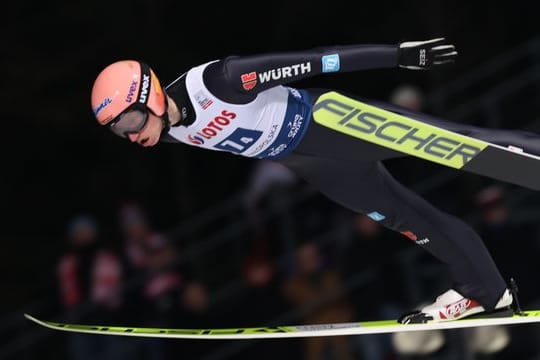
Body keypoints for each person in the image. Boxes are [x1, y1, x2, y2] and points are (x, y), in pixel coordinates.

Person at [89, 37, 540, 324]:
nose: (129, 135)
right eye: (117, 131)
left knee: (455, 146)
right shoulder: (168, 134)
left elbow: (317, 61)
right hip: (312, 164)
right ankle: (486, 290)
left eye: (128, 121)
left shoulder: (220, 81)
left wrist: (398, 56)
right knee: (407, 218)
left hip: (329, 122)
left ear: (147, 94)